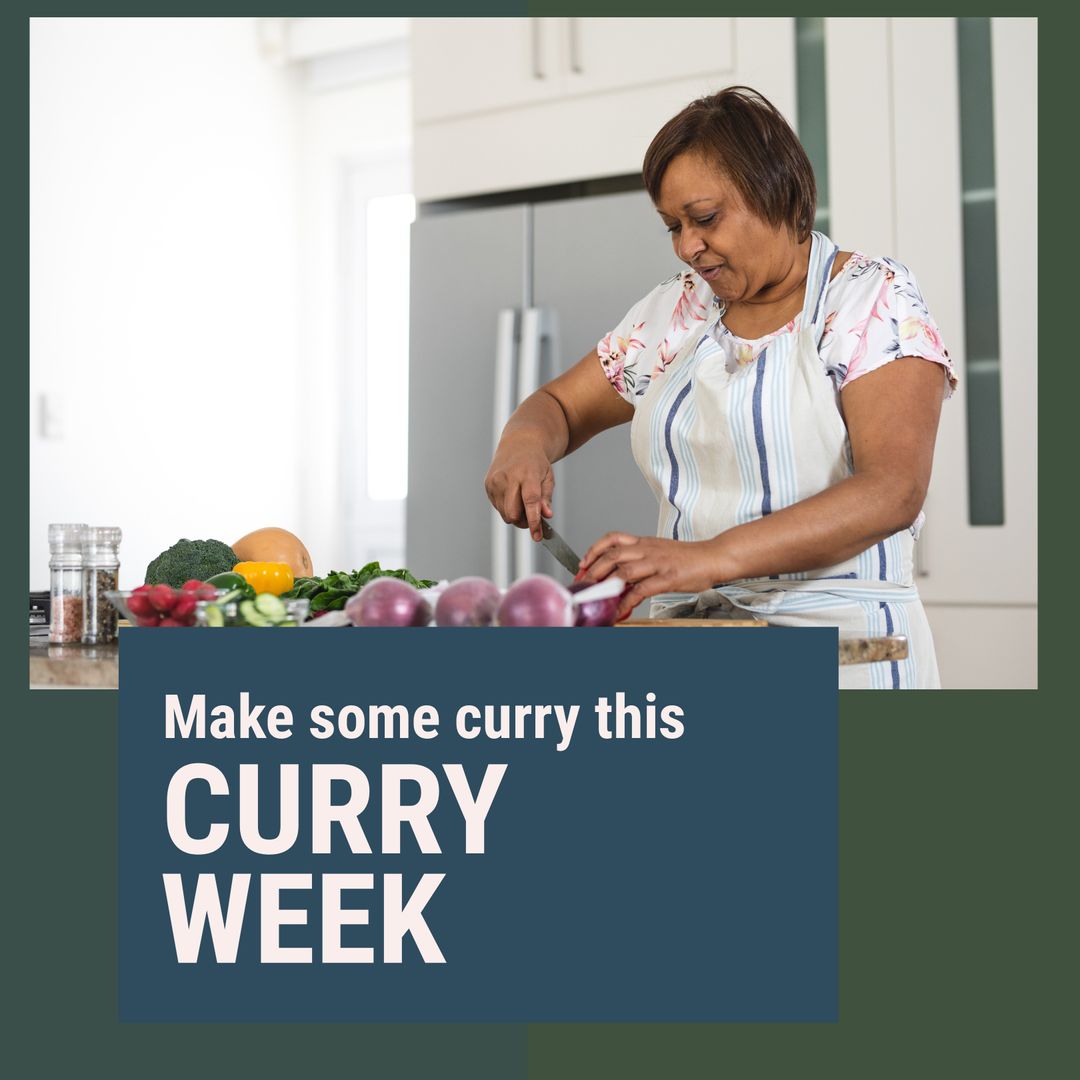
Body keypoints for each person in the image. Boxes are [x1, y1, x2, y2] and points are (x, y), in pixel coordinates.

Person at [485, 86, 956, 689]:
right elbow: (555, 407)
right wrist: (523, 444)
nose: (688, 246)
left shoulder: (869, 298)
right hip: (694, 649)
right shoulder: (676, 311)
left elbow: (893, 489)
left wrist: (707, 559)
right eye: (673, 226)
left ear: (778, 191)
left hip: (845, 656)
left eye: (705, 219)